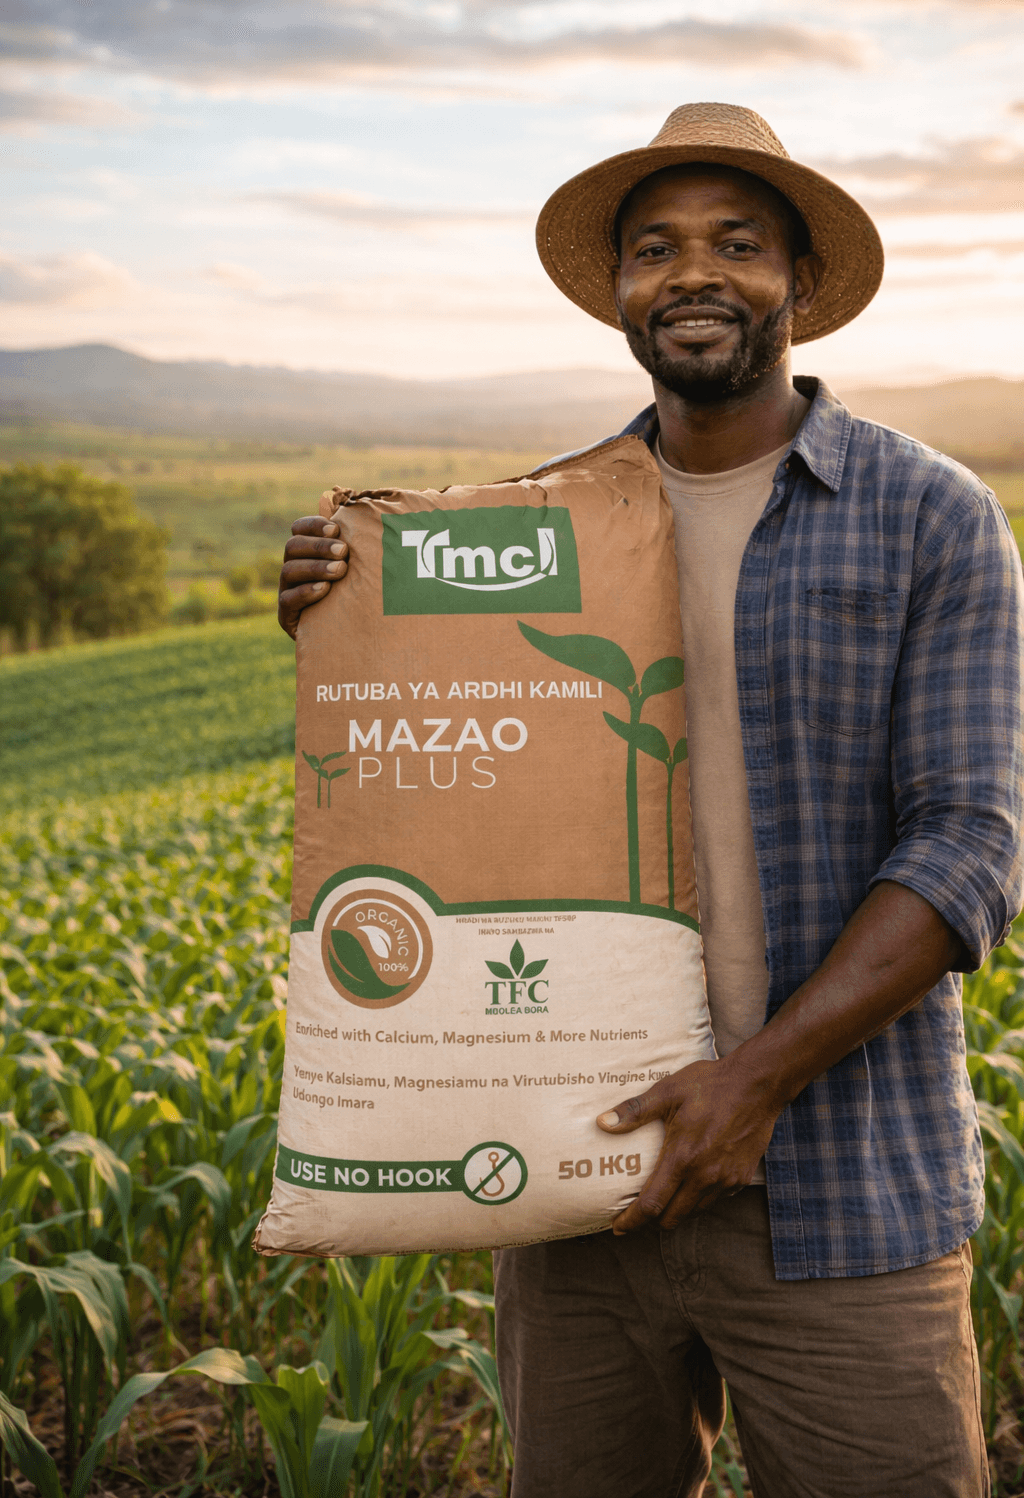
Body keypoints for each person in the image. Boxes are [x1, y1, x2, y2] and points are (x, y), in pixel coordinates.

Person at [278, 104, 1023, 1497]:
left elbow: (970, 846)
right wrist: (344, 619)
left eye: (737, 242)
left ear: (798, 280)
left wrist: (752, 1083)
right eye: (656, 248)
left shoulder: (931, 515)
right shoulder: (544, 523)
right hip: (577, 1186)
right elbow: (453, 791)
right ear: (617, 289)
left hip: (845, 1189)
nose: (694, 273)